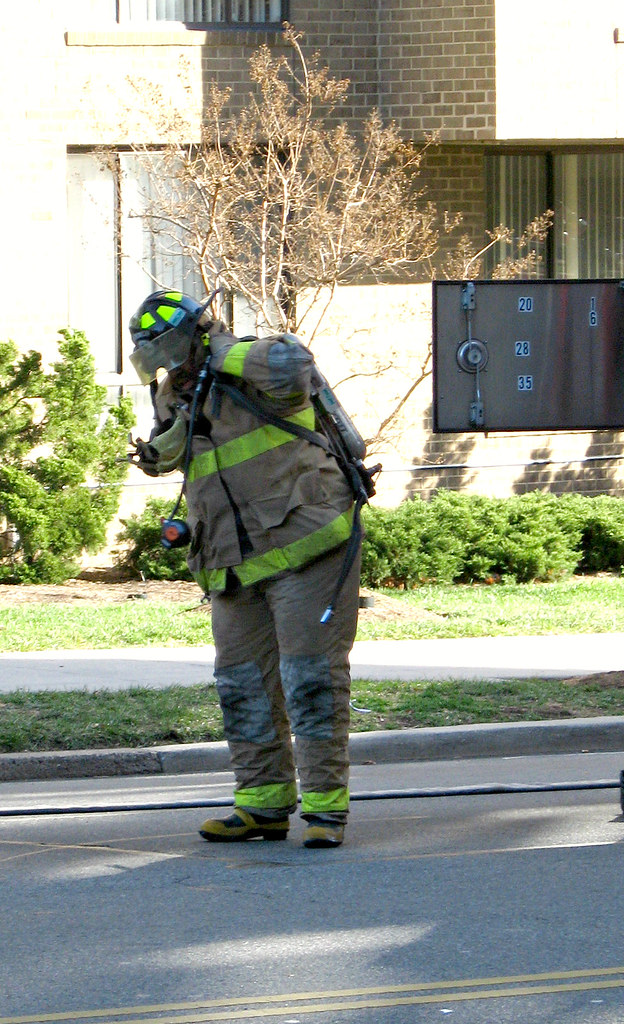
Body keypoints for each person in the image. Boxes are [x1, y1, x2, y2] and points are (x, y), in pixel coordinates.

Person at [127, 289, 364, 849]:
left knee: (310, 680)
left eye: (172, 351)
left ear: (194, 337)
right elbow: (181, 453)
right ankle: (261, 804)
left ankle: (326, 810)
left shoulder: (258, 366)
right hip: (230, 564)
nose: (168, 368)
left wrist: (219, 352)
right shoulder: (176, 393)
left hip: (307, 547)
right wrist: (159, 448)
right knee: (243, 685)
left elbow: (295, 364)